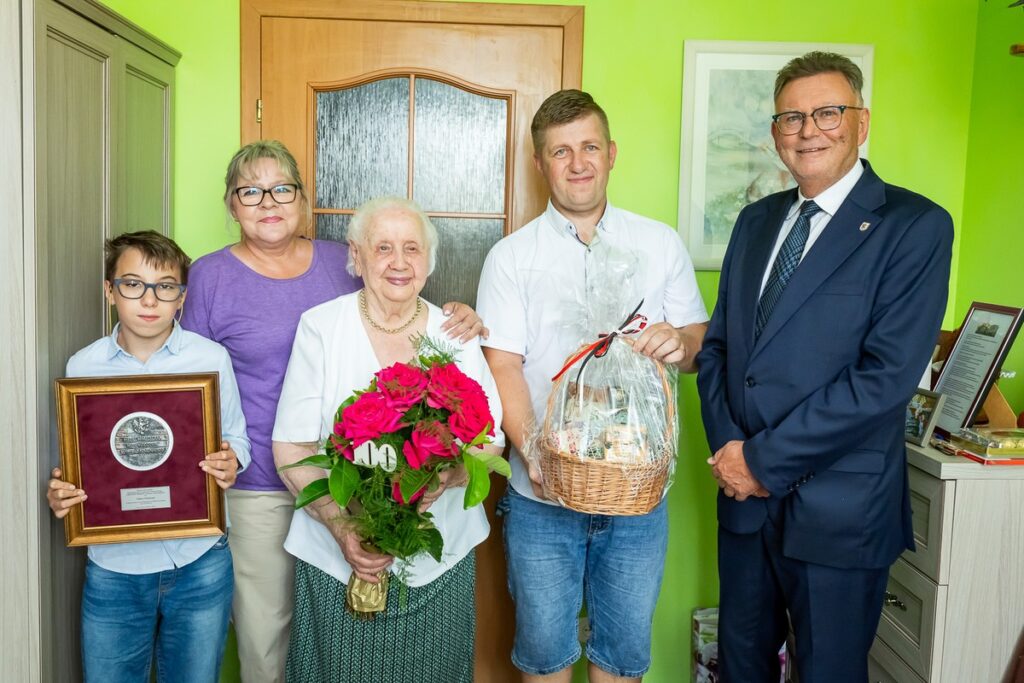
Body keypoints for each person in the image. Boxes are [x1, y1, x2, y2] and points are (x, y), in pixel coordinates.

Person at [180, 140, 484, 682]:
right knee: (269, 635)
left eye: (281, 189)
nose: (268, 201)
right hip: (258, 475)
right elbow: (187, 381)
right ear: (231, 204)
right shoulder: (211, 276)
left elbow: (398, 294)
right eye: (250, 191)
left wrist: (461, 315)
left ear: (301, 199)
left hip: (349, 483)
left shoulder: (336, 263)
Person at [696, 52, 953, 682]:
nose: (809, 129)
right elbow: (721, 350)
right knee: (740, 669)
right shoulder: (756, 222)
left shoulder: (914, 226)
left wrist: (761, 461)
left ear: (860, 123)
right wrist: (730, 447)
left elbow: (883, 380)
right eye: (791, 117)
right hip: (745, 505)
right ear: (776, 133)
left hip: (840, 509)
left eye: (828, 112)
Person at [476, 89, 709, 682]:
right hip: (539, 499)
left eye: (588, 147)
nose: (577, 163)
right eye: (560, 152)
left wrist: (679, 344)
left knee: (622, 658)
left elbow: (699, 345)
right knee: (544, 656)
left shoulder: (658, 245)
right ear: (539, 164)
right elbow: (502, 365)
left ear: (611, 153)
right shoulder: (511, 258)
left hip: (637, 493)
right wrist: (537, 454)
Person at [271, 196, 504, 683]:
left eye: (412, 249)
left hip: (439, 564)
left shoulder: (454, 334)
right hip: (335, 562)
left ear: (429, 261)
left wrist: (442, 478)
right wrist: (345, 529)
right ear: (356, 257)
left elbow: (490, 441)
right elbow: (291, 449)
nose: (399, 262)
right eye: (383, 248)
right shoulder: (321, 327)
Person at [45, 230, 251, 682]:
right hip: (114, 570)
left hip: (199, 561)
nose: (149, 299)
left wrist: (232, 461)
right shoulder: (82, 367)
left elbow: (239, 439)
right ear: (109, 291)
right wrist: (62, 492)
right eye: (133, 284)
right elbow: (82, 462)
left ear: (181, 297)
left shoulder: (210, 359)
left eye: (165, 287)